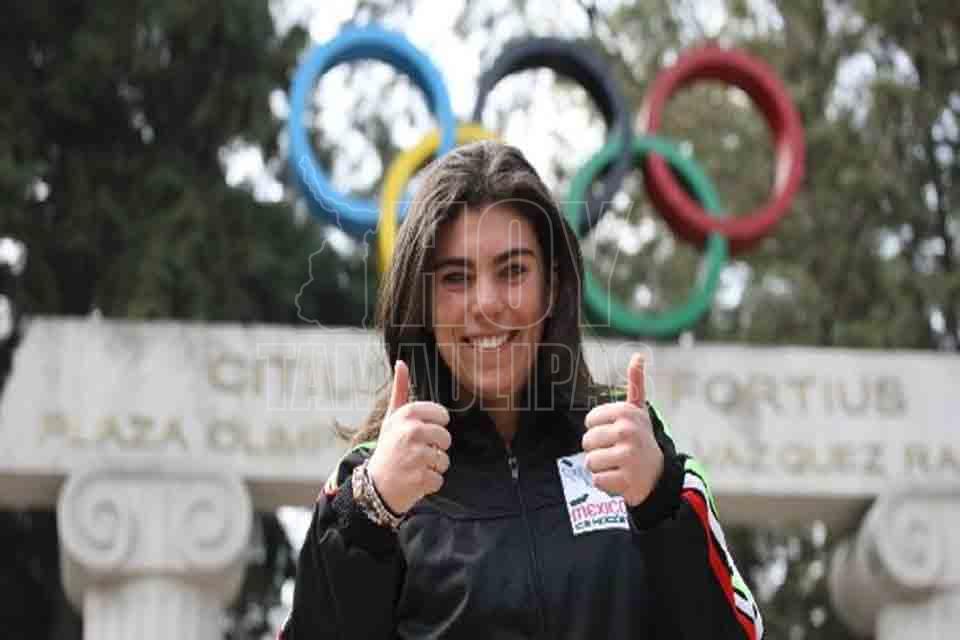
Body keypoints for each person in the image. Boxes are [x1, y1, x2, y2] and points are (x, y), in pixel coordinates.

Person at [280, 141, 762, 639]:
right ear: (422, 300)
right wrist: (369, 514)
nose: (487, 303)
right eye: (456, 278)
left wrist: (660, 500)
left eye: (512, 271)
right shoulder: (368, 485)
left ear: (551, 287)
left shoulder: (632, 445)